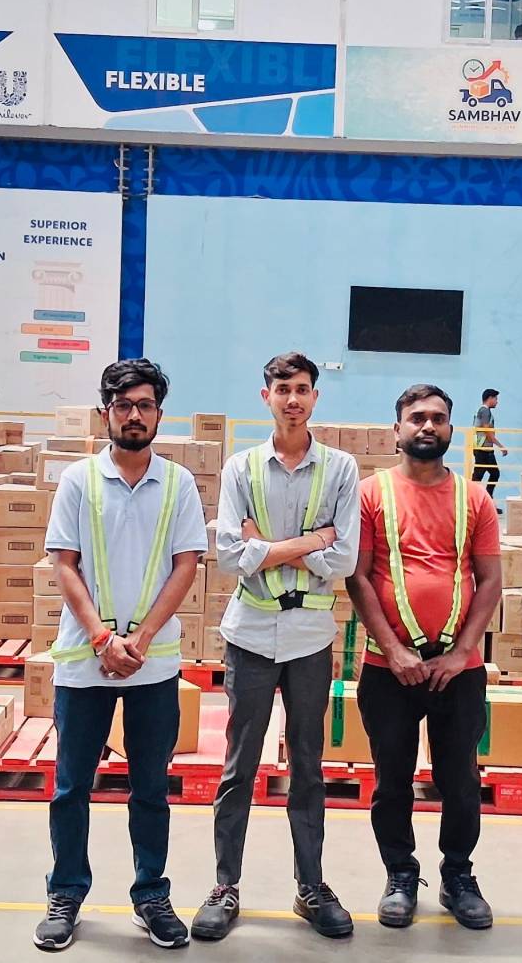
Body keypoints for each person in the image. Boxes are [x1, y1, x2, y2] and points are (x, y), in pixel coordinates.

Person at [35, 358, 210, 952]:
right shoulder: (77, 481)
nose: (135, 415)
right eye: (123, 405)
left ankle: (151, 895)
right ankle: (66, 892)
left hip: (153, 666)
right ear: (106, 412)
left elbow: (186, 564)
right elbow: (65, 564)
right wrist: (104, 640)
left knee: (151, 788)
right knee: (70, 787)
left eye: (145, 405)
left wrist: (135, 641)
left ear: (159, 413)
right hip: (85, 666)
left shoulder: (178, 483)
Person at [195, 352, 360, 941]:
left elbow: (344, 558)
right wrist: (308, 541)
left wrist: (269, 545)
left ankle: (310, 886)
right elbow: (228, 556)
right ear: (265, 396)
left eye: (303, 390)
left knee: (309, 768)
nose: (293, 399)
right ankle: (225, 885)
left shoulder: (341, 469)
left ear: (316, 397)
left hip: (310, 639)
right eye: (282, 389)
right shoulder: (240, 469)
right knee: (239, 767)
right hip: (250, 637)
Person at [347, 384, 504, 931]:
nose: (427, 426)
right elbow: (359, 575)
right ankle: (400, 873)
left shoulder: (475, 500)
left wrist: (462, 652)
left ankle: (459, 874)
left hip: (457, 671)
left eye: (438, 418)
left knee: (459, 777)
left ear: (451, 429)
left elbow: (489, 582)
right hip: (387, 669)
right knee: (392, 777)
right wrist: (393, 650)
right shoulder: (370, 494)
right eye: (417, 418)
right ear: (398, 430)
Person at [471, 389, 507, 499]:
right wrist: (501, 446)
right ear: (490, 398)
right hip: (483, 449)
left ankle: (487, 500)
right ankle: (474, 500)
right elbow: (487, 431)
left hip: (484, 448)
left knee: (493, 473)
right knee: (479, 476)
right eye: (495, 399)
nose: (497, 402)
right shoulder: (485, 411)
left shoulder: (482, 411)